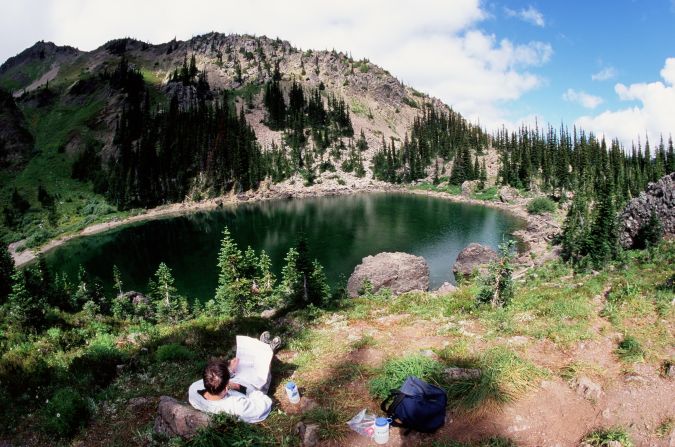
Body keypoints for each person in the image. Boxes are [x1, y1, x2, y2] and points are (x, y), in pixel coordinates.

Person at [188, 332, 281, 423]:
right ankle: (268, 350)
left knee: (243, 363)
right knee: (262, 367)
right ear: (225, 388)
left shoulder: (194, 390)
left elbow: (213, 378)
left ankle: (261, 346)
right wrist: (240, 388)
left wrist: (230, 370)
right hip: (253, 386)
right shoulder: (236, 406)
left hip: (238, 378)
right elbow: (264, 404)